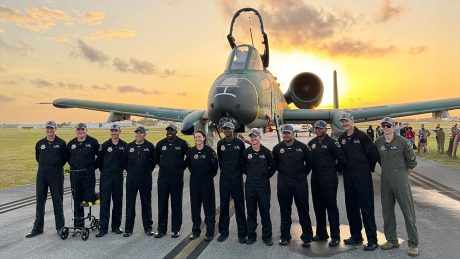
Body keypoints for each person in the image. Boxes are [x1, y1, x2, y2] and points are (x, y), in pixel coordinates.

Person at [375, 117, 419, 257]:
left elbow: (411, 162)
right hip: (385, 181)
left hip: (401, 180)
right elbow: (377, 159)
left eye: (389, 125)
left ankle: (413, 244)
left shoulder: (403, 142)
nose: (386, 128)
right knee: (387, 211)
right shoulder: (378, 142)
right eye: (384, 125)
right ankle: (392, 240)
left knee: (408, 212)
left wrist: (404, 176)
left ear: (394, 126)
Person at [338, 112, 379, 251]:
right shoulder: (342, 138)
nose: (344, 124)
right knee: (351, 207)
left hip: (362, 177)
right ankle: (356, 236)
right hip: (349, 177)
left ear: (352, 121)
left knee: (366, 208)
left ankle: (372, 240)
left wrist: (367, 168)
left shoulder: (362, 136)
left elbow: (373, 154)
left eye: (346, 121)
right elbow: (340, 157)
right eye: (342, 122)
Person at [272, 124, 313, 247]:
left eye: (288, 133)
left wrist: (302, 175)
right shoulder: (277, 148)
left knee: (303, 210)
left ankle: (306, 237)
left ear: (293, 133)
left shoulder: (302, 147)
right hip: (284, 184)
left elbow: (309, 163)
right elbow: (275, 165)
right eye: (284, 133)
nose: (286, 135)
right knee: (285, 211)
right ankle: (285, 236)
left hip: (299, 183)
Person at [307, 120, 347, 247]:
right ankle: (321, 233)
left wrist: (334, 170)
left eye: (320, 128)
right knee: (318, 208)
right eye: (316, 128)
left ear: (325, 129)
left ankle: (335, 236)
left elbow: (342, 159)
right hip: (316, 180)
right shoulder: (311, 143)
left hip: (329, 180)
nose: (318, 130)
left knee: (331, 207)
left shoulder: (333, 143)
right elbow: (309, 162)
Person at [26, 121, 67, 238]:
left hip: (56, 175)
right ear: (46, 129)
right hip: (42, 175)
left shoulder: (61, 143)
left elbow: (64, 159)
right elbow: (38, 158)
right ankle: (38, 228)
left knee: (57, 201)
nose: (50, 130)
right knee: (40, 202)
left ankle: (60, 227)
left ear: (55, 129)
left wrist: (54, 167)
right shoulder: (40, 143)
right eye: (48, 128)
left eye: (52, 128)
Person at [154, 124, 189, 239]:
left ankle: (175, 229)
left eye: (172, 130)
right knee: (162, 204)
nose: (169, 132)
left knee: (176, 204)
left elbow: (188, 158)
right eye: (168, 130)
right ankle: (161, 229)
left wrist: (180, 167)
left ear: (176, 132)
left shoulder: (183, 143)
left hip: (176, 178)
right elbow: (156, 158)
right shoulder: (160, 144)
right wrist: (163, 166)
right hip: (163, 178)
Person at [216, 122, 247, 243]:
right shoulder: (220, 144)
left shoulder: (240, 144)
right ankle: (223, 232)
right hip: (224, 179)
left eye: (228, 129)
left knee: (239, 206)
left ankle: (242, 234)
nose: (226, 131)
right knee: (224, 206)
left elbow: (243, 160)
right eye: (225, 129)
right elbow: (220, 159)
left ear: (233, 130)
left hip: (236, 179)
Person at [243, 128, 275, 246]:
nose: (253, 138)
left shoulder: (267, 152)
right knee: (251, 212)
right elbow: (243, 167)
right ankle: (251, 236)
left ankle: (267, 237)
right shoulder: (246, 153)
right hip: (250, 186)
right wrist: (251, 175)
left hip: (263, 187)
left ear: (259, 138)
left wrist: (264, 176)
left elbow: (273, 167)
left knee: (265, 212)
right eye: (252, 137)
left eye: (255, 136)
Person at [123, 126, 155, 237]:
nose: (138, 135)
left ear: (144, 134)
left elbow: (154, 162)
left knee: (146, 203)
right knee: (130, 204)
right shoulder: (129, 146)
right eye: (137, 133)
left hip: (145, 179)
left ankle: (148, 228)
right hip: (131, 179)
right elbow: (125, 162)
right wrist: (132, 172)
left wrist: (146, 171)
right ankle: (128, 229)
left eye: (141, 133)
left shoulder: (149, 146)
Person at [95, 124, 127, 237]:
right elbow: (99, 162)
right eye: (112, 131)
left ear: (119, 131)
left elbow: (126, 161)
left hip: (118, 177)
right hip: (106, 177)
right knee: (105, 203)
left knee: (117, 202)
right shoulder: (104, 145)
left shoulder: (124, 146)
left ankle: (116, 226)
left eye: (116, 131)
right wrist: (106, 171)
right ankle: (103, 228)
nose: (114, 133)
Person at [186, 130, 218, 241]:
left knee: (209, 209)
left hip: (207, 183)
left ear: (204, 138)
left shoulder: (209, 151)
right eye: (196, 137)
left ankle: (209, 232)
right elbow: (189, 165)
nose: (198, 139)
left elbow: (215, 168)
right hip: (194, 183)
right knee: (195, 209)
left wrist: (207, 177)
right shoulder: (191, 151)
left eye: (200, 137)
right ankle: (195, 231)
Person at [67, 123, 100, 230]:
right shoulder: (71, 144)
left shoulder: (93, 142)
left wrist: (92, 167)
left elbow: (100, 157)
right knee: (77, 200)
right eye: (78, 129)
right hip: (75, 175)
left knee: (88, 198)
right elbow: (67, 158)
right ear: (76, 131)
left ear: (86, 130)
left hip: (88, 174)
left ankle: (98, 195)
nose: (80, 131)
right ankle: (79, 226)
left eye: (82, 129)